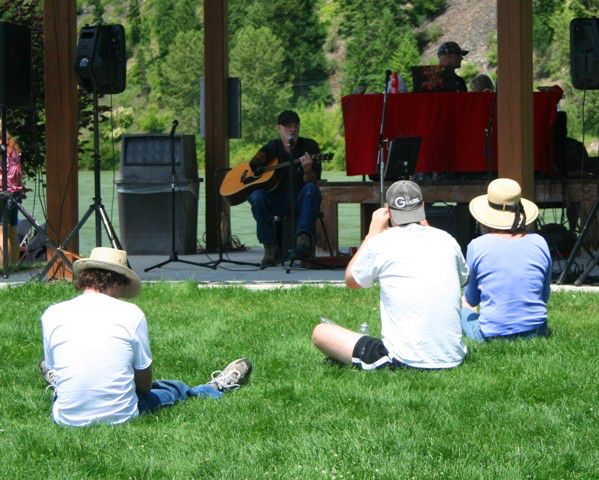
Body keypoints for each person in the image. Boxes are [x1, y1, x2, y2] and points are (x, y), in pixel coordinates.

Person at [39, 247, 252, 427]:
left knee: (62, 379)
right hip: (121, 415)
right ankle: (215, 388)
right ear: (117, 281)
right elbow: (144, 383)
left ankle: (61, 384)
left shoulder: (52, 313)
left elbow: (51, 364)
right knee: (172, 389)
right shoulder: (130, 313)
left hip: (65, 418)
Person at [312, 180, 469, 370]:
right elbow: (462, 279)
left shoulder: (381, 242)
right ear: (423, 207)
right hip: (454, 357)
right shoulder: (447, 239)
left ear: (388, 210)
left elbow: (352, 280)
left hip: (403, 360)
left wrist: (371, 235)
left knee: (321, 332)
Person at [461, 178, 552, 341]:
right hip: (537, 331)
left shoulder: (477, 246)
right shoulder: (540, 242)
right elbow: (543, 296)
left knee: (463, 305)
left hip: (492, 335)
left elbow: (471, 299)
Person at [248, 110, 322, 268]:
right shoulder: (271, 147)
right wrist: (257, 169)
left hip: (301, 199)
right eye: (288, 126)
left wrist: (308, 169)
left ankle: (303, 239)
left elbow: (313, 181)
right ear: (279, 128)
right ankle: (270, 247)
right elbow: (253, 165)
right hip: (277, 199)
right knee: (256, 196)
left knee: (311, 189)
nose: (292, 129)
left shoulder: (310, 146)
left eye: (296, 126)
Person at [0, 129, 24, 264]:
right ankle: (15, 266)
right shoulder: (14, 147)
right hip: (15, 193)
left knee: (2, 233)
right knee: (13, 231)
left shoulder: (1, 148)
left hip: (3, 193)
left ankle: (3, 270)